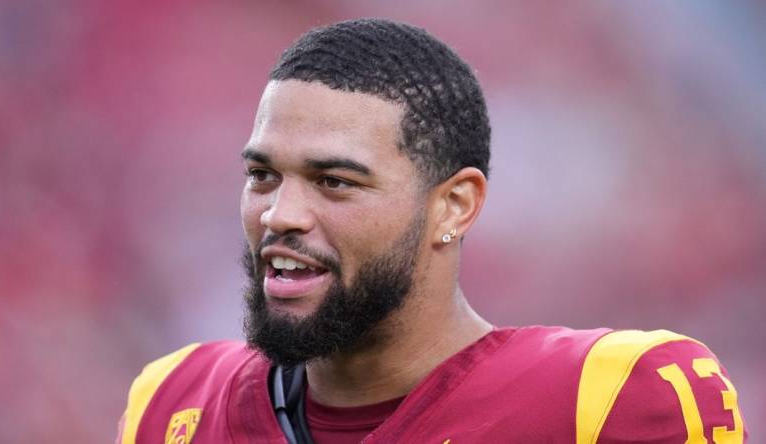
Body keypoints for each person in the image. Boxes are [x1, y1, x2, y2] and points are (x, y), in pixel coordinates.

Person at [116, 18, 747, 443]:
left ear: (454, 206)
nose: (281, 214)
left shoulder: (609, 399)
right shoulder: (172, 401)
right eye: (262, 175)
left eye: (334, 181)